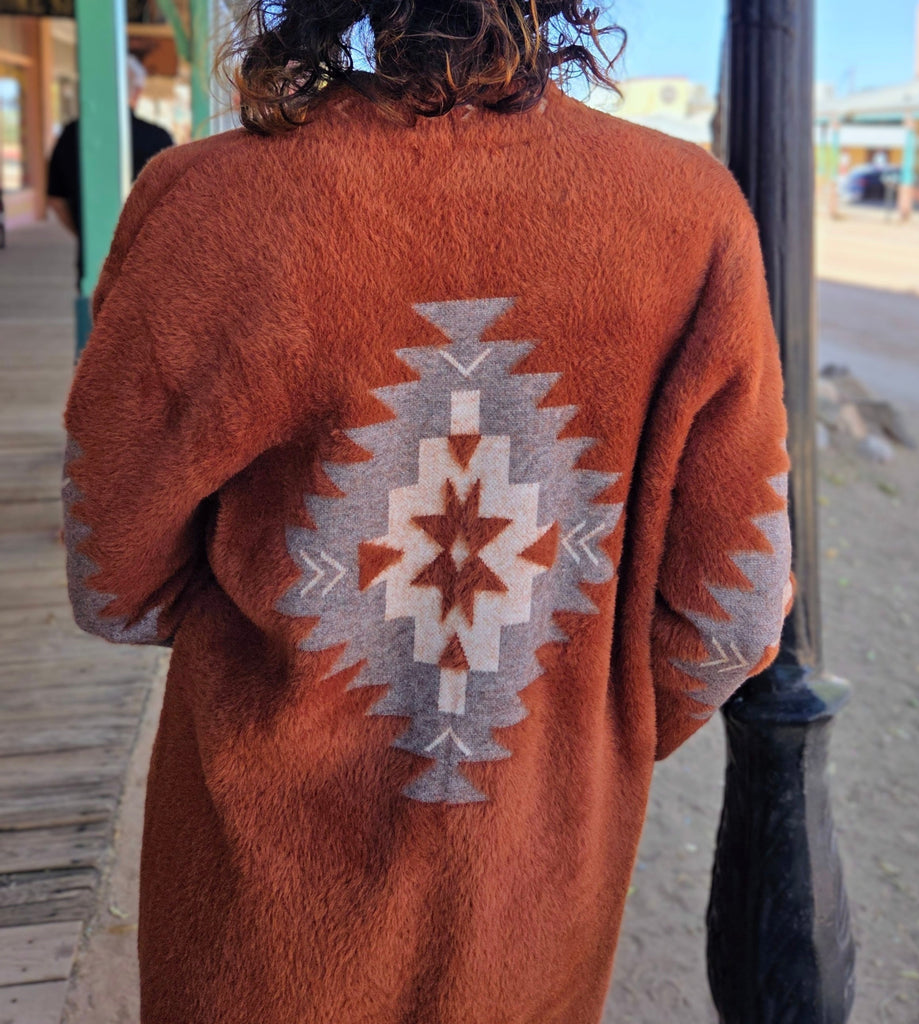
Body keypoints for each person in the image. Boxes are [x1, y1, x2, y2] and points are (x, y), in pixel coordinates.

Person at [62, 3, 793, 1022]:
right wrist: (579, 733)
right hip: (532, 904)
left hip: (253, 902)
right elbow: (733, 617)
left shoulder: (205, 200)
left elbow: (110, 582)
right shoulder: (693, 215)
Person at [47, 55, 173, 288]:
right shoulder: (159, 138)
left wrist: (86, 232)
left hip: (92, 260)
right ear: (137, 92)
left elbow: (56, 200)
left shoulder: (71, 134)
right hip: (150, 260)